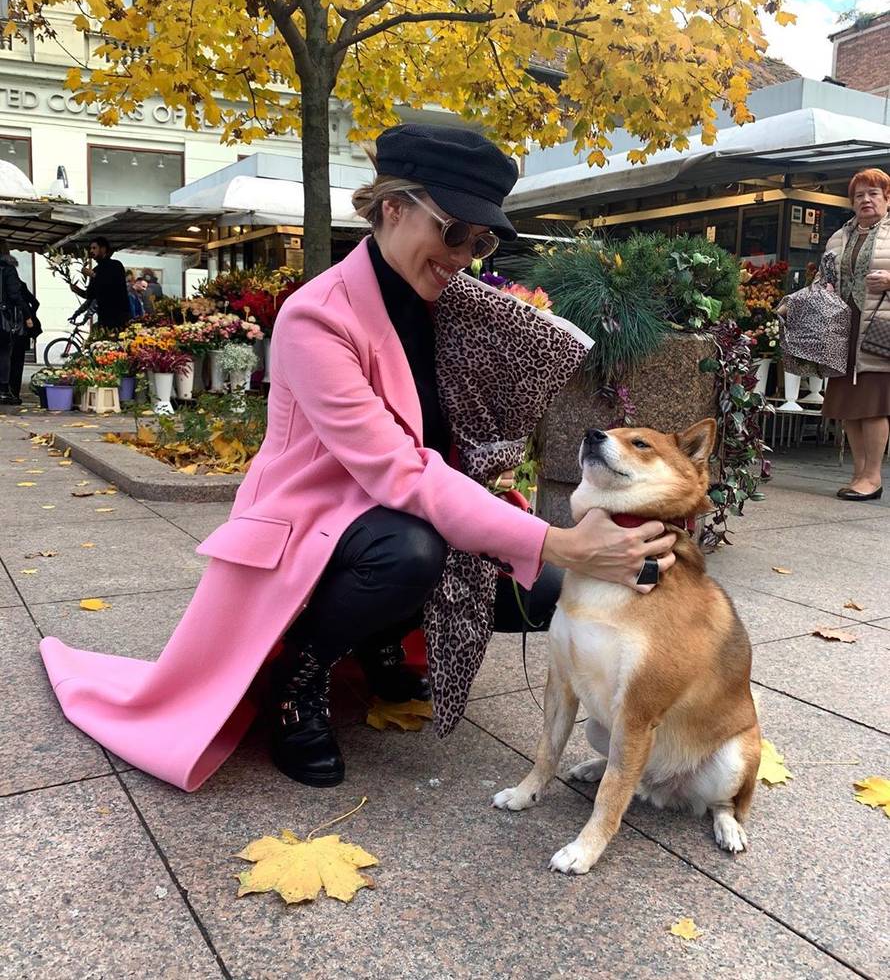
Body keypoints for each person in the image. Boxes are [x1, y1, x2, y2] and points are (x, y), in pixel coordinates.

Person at [39, 124, 677, 792]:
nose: (465, 255)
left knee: (541, 596)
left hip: (412, 512)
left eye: (482, 241)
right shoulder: (318, 316)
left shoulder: (456, 306)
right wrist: (560, 542)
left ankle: (377, 642)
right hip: (316, 523)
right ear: (391, 208)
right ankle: (298, 680)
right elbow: (400, 474)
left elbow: (495, 405)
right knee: (413, 553)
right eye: (455, 231)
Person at [820, 168, 890, 501]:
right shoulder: (839, 236)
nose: (866, 200)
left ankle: (873, 476)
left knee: (873, 403)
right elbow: (822, 280)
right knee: (847, 403)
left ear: (887, 198)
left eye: (873, 193)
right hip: (844, 329)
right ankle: (859, 473)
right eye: (859, 195)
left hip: (880, 329)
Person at [71, 238, 130, 331]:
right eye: (91, 248)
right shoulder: (96, 269)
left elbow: (113, 286)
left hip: (119, 316)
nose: (91, 251)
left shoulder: (115, 265)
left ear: (103, 249)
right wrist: (77, 290)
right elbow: (91, 295)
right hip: (104, 318)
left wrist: (93, 275)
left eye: (94, 248)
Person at [0, 241, 33, 406]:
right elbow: (15, 294)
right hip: (3, 317)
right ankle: (4, 391)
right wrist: (27, 315)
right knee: (4, 352)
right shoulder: (8, 268)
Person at [8, 268, 41, 402]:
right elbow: (35, 302)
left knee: (8, 361)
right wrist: (28, 316)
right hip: (21, 331)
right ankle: (14, 393)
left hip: (10, 329)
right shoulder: (21, 286)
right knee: (17, 363)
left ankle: (6, 391)